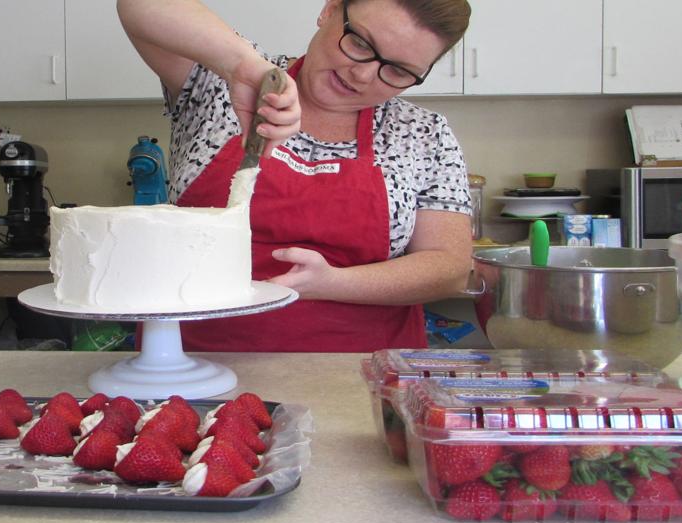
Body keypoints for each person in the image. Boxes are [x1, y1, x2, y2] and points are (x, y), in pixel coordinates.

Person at [118, 0, 474, 352]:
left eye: (397, 70)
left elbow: (450, 266)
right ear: (330, 10)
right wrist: (243, 66)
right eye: (360, 44)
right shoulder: (222, 80)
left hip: (364, 378)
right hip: (192, 364)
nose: (363, 74)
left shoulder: (423, 133)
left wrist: (332, 283)